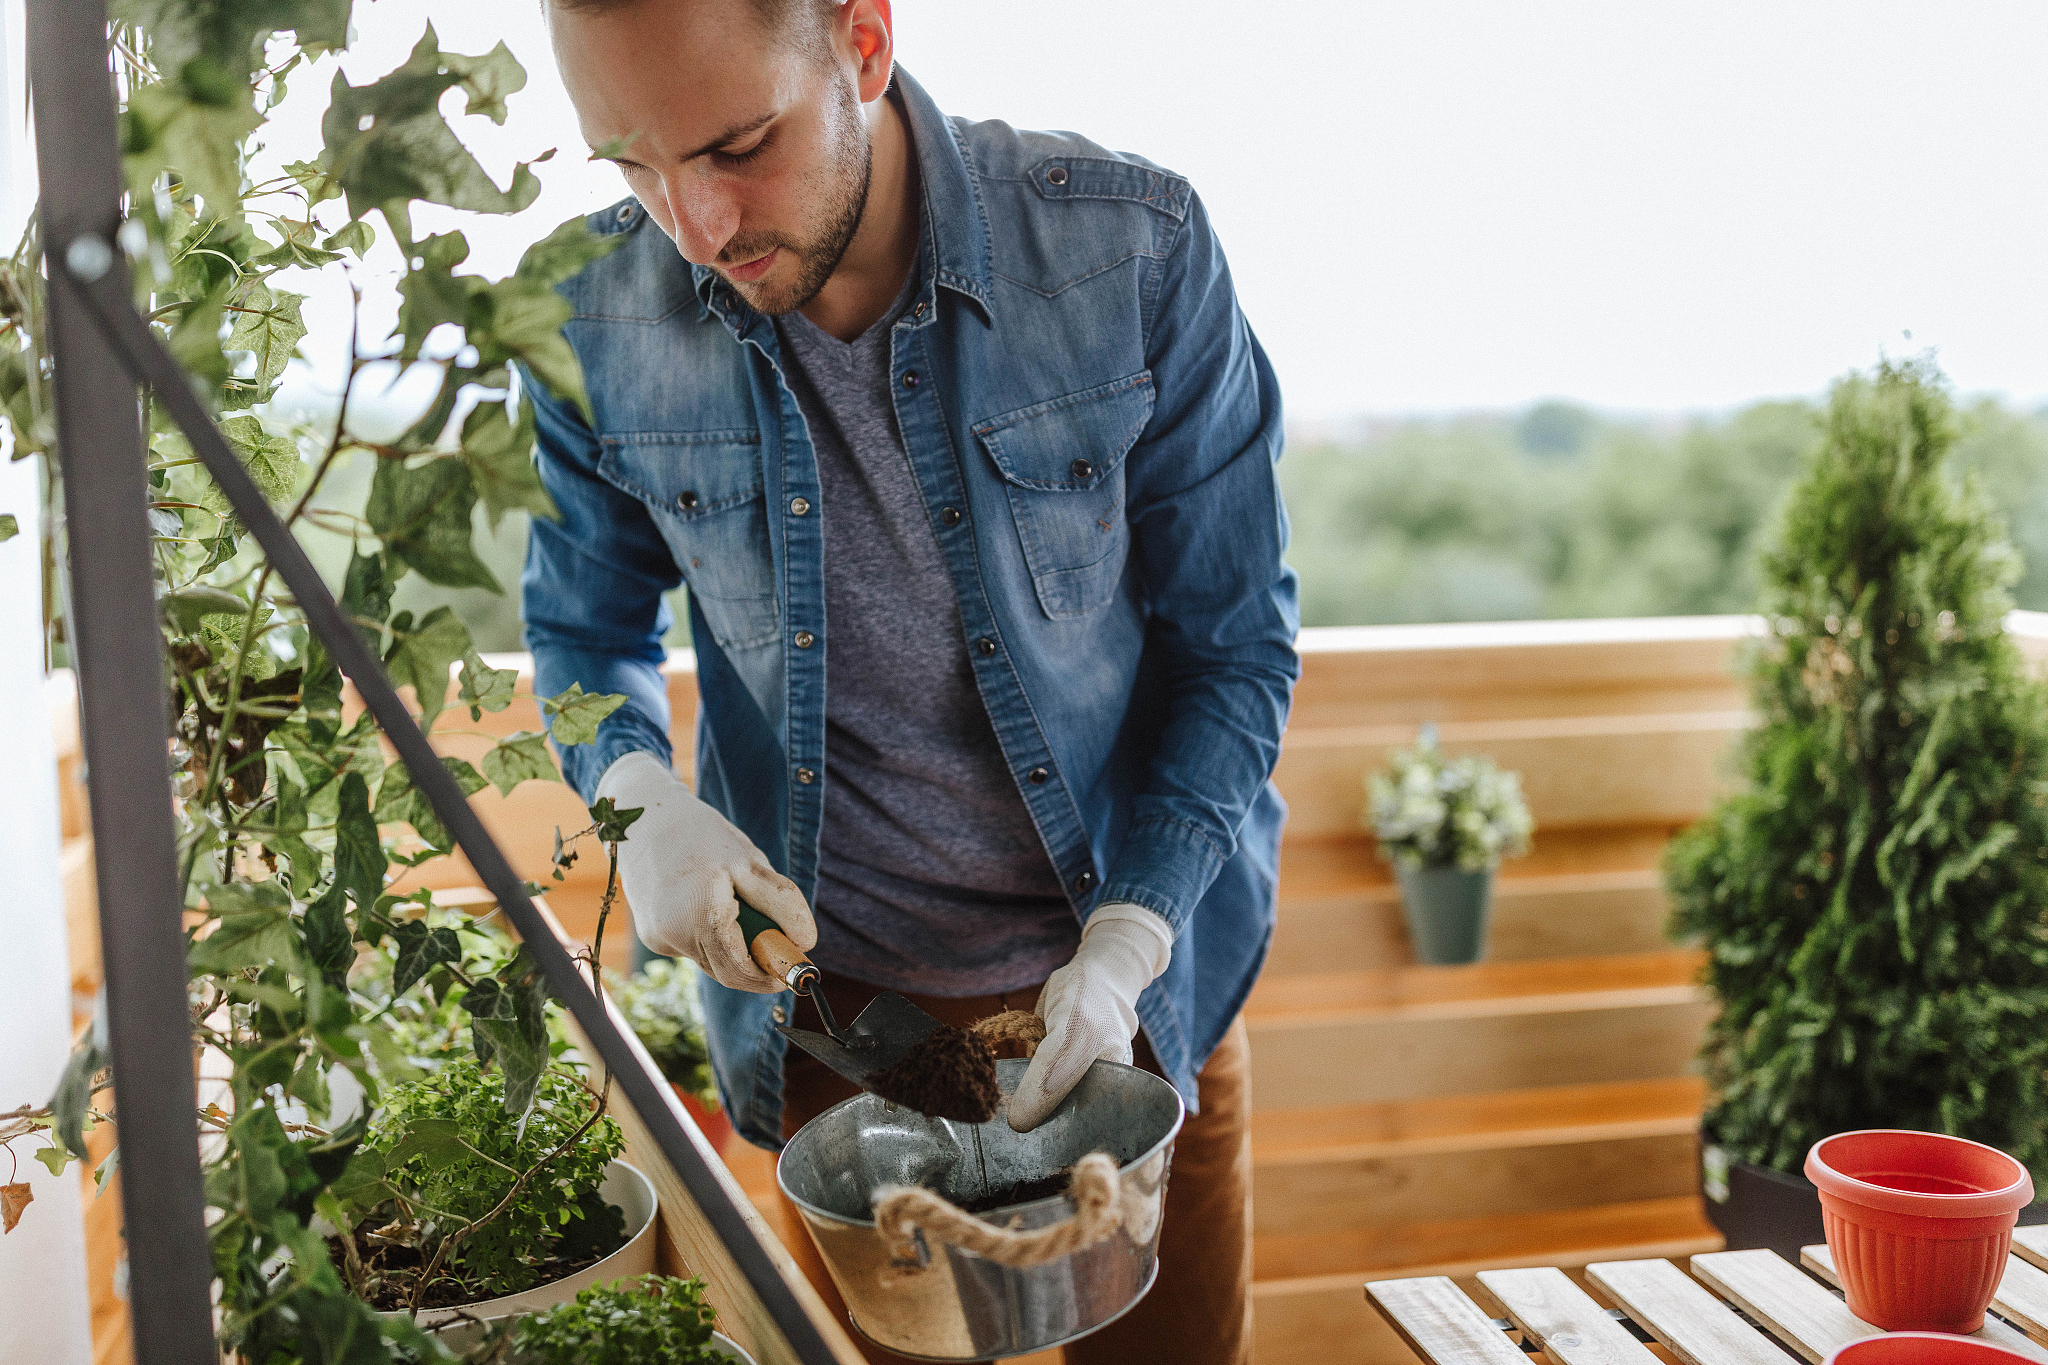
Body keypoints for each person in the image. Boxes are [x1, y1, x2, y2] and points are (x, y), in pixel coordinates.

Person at [525, 1, 1297, 1360]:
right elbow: (586, 639)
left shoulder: (1134, 250)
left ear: (863, 42)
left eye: (739, 143)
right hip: (842, 1035)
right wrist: (637, 796)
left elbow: (1234, 651)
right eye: (631, 167)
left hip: (1135, 1004)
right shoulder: (586, 314)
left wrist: (1131, 939)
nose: (696, 223)